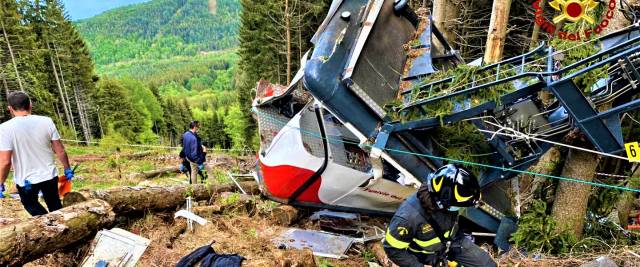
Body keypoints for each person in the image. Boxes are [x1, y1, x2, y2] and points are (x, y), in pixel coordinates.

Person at [383, 164, 497, 267]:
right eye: (458, 206)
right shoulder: (408, 218)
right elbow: (392, 249)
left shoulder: (446, 200)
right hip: (424, 257)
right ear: (442, 201)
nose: (459, 209)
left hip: (453, 242)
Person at [0, 92, 74, 216]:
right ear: (30, 105)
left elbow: (5, 161)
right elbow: (60, 149)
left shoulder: (4, 128)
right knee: (54, 204)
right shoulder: (47, 121)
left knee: (31, 205)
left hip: (26, 180)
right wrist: (67, 169)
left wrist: (1, 182)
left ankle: (49, 225)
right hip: (49, 175)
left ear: (10, 108)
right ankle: (59, 225)